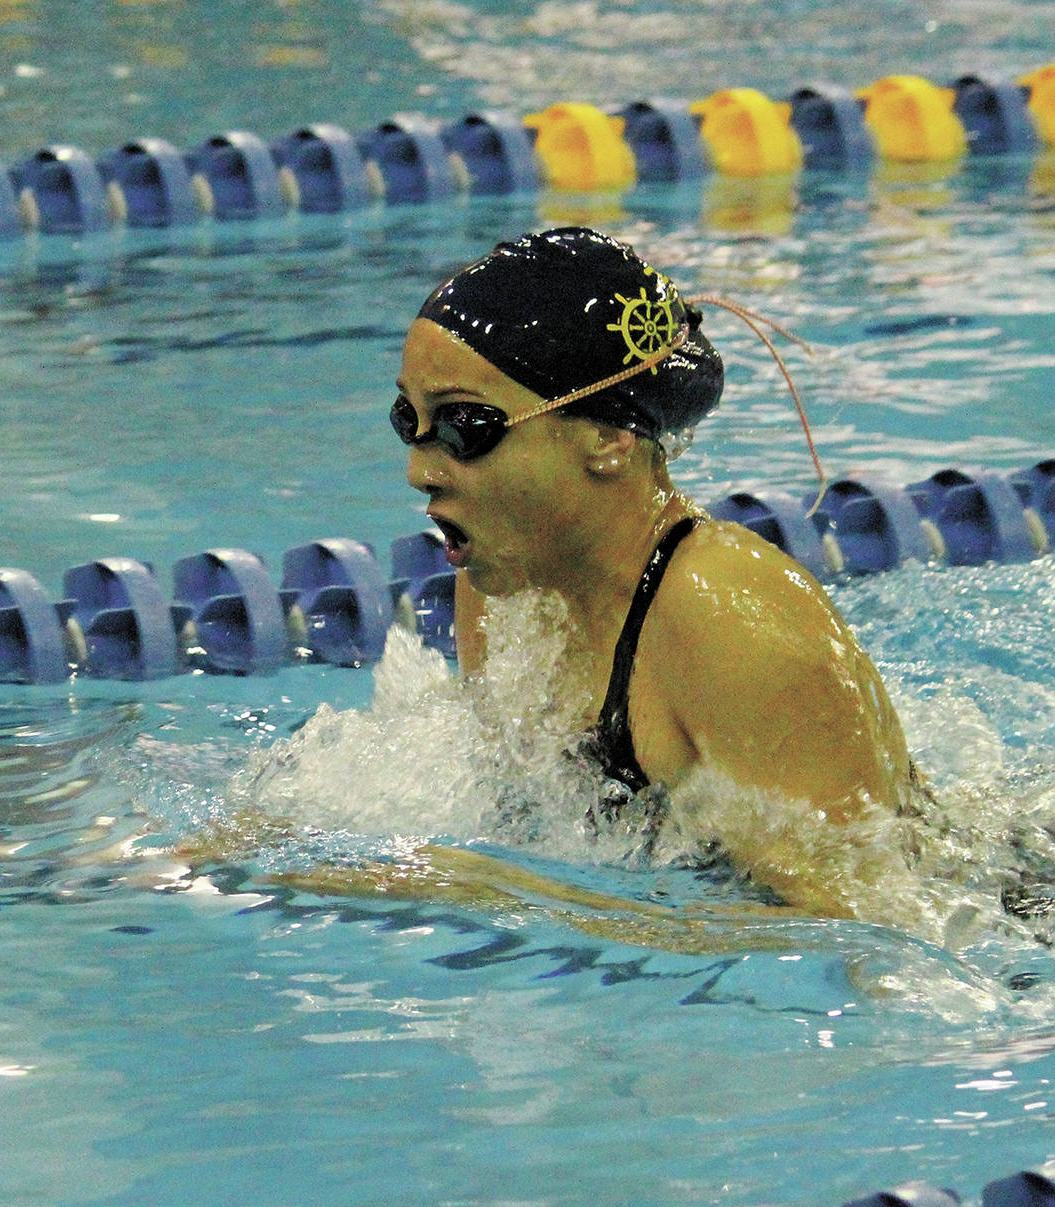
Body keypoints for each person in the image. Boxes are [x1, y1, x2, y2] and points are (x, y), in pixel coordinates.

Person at [391, 227, 919, 914]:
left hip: (1048, 933)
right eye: (411, 419)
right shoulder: (503, 578)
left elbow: (867, 924)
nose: (420, 470)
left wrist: (505, 892)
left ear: (609, 438)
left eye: (466, 426)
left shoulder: (725, 615)